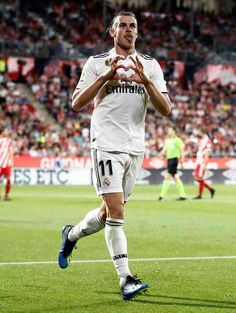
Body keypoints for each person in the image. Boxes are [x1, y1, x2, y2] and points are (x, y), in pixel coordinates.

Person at [58, 11, 172, 300]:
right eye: (123, 26)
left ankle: (71, 235)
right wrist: (105, 79)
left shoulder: (150, 65)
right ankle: (126, 279)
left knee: (110, 212)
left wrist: (146, 81)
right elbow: (76, 103)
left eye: (133, 26)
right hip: (106, 144)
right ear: (113, 32)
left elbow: (166, 109)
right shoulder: (97, 63)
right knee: (117, 212)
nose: (129, 30)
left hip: (136, 147)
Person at [158, 126, 186, 201]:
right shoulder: (167, 140)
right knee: (175, 177)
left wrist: (182, 160)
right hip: (169, 159)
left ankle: (161, 195)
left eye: (170, 130)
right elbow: (164, 151)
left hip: (174, 159)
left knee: (168, 176)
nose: (168, 132)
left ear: (174, 131)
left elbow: (182, 150)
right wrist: (157, 156)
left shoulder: (177, 140)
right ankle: (183, 195)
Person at [193, 130, 215, 199]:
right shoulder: (202, 140)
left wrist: (205, 164)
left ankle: (200, 195)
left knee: (199, 178)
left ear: (204, 133)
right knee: (197, 178)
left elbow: (207, 153)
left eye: (201, 132)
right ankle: (210, 189)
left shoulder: (207, 141)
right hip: (199, 161)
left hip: (202, 162)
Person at [0, 124, 14, 201]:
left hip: (6, 163)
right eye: (6, 131)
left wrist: (12, 161)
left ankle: (6, 195)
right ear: (2, 132)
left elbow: (11, 151)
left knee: (9, 179)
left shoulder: (8, 141)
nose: (7, 132)